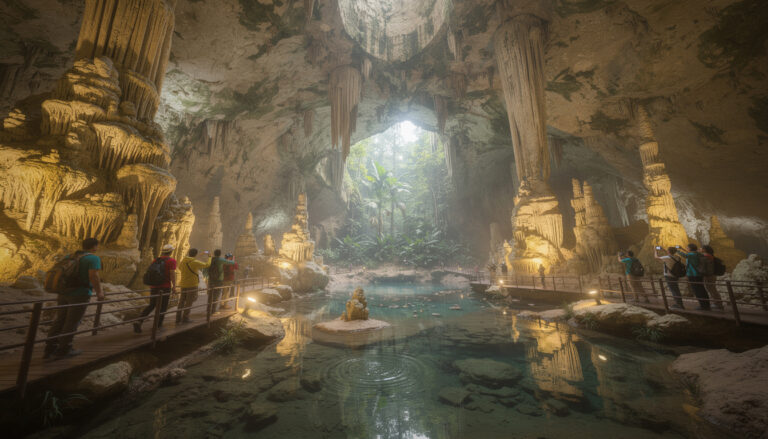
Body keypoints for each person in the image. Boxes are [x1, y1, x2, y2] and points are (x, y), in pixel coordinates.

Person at [44, 238, 104, 359]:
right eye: (97, 246)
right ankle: (64, 349)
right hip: (80, 293)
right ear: (94, 247)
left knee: (60, 319)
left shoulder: (70, 256)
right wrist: (99, 292)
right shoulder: (93, 258)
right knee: (72, 321)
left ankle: (50, 347)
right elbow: (93, 275)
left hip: (63, 292)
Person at [134, 244, 177, 333]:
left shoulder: (156, 260)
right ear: (171, 252)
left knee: (152, 305)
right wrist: (174, 287)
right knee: (163, 307)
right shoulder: (172, 261)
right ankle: (158, 326)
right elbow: (172, 274)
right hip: (165, 287)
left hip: (154, 287)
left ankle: (139, 320)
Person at [176, 248, 212, 324]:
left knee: (181, 301)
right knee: (189, 301)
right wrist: (210, 257)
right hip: (192, 284)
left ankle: (178, 318)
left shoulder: (184, 260)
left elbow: (179, 268)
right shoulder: (195, 262)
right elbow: (207, 264)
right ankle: (185, 318)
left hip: (183, 284)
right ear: (195, 254)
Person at [677, 243, 710, 310]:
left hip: (693, 275)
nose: (686, 248)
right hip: (699, 274)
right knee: (702, 289)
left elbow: (685, 255)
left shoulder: (691, 255)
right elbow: (689, 254)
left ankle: (703, 306)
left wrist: (676, 250)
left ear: (689, 248)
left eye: (687, 247)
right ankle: (706, 304)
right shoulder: (697, 254)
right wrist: (681, 248)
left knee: (697, 290)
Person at [701, 245, 724, 310]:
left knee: (712, 290)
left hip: (709, 276)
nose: (700, 249)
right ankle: (717, 303)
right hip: (712, 275)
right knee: (712, 289)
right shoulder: (710, 255)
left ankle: (718, 304)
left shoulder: (706, 256)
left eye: (701, 248)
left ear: (704, 250)